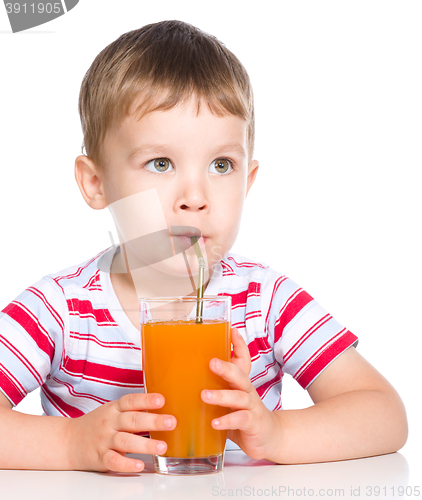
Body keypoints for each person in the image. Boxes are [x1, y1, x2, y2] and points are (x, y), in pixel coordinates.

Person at [0, 20, 407, 472]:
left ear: (248, 182)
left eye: (221, 164)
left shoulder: (263, 301)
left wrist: (277, 433)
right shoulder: (59, 309)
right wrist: (70, 443)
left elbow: (384, 414)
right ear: (96, 183)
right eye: (160, 162)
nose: (195, 197)